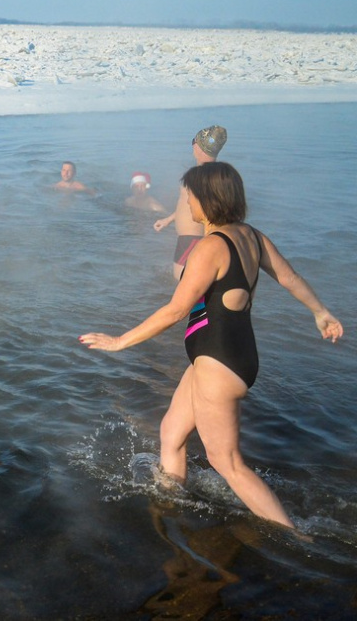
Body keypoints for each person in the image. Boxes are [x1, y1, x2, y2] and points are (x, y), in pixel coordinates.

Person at [80, 162, 343, 529]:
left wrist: (120, 341)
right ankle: (170, 506)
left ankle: (298, 539)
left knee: (227, 462)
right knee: (171, 434)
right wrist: (320, 312)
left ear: (209, 199)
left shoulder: (210, 248)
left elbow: (176, 310)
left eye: (189, 196)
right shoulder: (251, 235)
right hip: (228, 357)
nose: (186, 204)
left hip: (218, 364)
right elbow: (289, 276)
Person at [155, 125, 227, 280]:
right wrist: (168, 219)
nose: (193, 146)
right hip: (197, 239)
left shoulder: (201, 177)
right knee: (197, 287)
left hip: (192, 240)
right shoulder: (214, 174)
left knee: (184, 286)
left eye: (194, 141)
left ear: (199, 146)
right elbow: (189, 205)